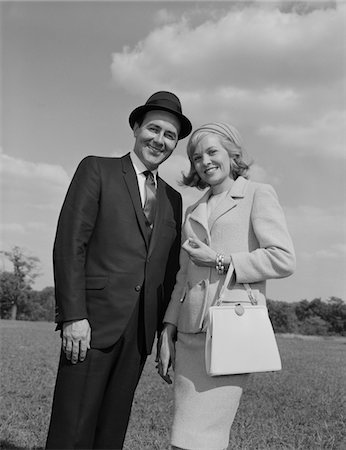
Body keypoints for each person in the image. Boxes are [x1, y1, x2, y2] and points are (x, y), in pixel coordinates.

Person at [45, 91, 192, 449]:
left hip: (140, 331)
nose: (160, 140)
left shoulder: (174, 199)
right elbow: (69, 244)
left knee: (112, 430)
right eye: (153, 129)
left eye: (169, 135)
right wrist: (73, 316)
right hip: (91, 323)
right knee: (73, 425)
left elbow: (171, 269)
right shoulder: (97, 168)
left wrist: (164, 333)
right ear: (136, 127)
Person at [158, 122, 296, 450]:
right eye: (195, 157)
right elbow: (182, 277)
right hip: (189, 336)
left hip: (230, 333)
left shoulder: (257, 194)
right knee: (183, 436)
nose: (204, 161)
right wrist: (167, 328)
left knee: (202, 438)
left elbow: (283, 259)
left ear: (232, 154)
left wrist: (221, 260)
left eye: (211, 152)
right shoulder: (193, 209)